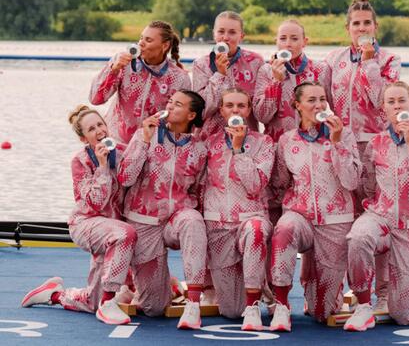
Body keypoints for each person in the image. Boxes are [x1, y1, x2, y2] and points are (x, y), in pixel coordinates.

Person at [344, 81, 409, 331]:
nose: (397, 105)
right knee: (358, 237)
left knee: (402, 315)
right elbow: (368, 186)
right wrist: (374, 211)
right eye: (391, 102)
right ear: (383, 109)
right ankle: (364, 306)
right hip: (381, 218)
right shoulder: (376, 143)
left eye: (402, 100)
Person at [21, 105, 137, 325]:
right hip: (87, 223)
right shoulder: (80, 161)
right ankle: (108, 304)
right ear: (84, 139)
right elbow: (95, 203)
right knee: (124, 233)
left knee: (91, 301)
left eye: (101, 124)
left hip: (114, 228)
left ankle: (53, 294)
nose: (99, 130)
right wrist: (102, 167)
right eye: (91, 129)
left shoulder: (123, 151)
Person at [325, 0, 401, 313]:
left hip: (377, 147)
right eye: (356, 24)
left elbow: (379, 101)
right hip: (343, 144)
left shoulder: (389, 60)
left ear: (375, 26)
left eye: (367, 23)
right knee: (346, 220)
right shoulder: (335, 58)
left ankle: (383, 292)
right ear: (348, 28)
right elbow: (327, 98)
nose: (362, 28)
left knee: (377, 219)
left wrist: (370, 64)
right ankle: (355, 290)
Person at [269, 82, 362, 331]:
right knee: (284, 229)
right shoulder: (286, 141)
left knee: (324, 314)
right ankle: (281, 305)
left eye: (322, 99)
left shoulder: (344, 134)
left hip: (335, 221)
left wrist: (338, 143)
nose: (319, 104)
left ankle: (316, 291)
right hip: (299, 215)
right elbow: (279, 184)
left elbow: (351, 181)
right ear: (297, 106)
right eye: (311, 100)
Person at [117, 90, 208, 329]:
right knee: (153, 308)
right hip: (143, 220)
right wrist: (145, 141)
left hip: (177, 218)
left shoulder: (200, 148)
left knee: (193, 220)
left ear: (191, 115)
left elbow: (199, 189)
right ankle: (169, 285)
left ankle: (193, 304)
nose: (170, 106)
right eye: (170, 101)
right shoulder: (145, 135)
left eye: (177, 104)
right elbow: (125, 178)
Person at [203, 88, 274, 330]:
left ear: (249, 110)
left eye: (241, 106)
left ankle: (254, 306)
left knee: (255, 232)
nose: (236, 110)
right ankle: (258, 285)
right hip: (218, 225)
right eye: (230, 106)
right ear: (221, 111)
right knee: (232, 311)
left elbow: (255, 185)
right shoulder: (208, 143)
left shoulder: (264, 143)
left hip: (250, 218)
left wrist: (238, 148)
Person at [90, 20, 191, 144]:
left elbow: (182, 122)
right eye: (141, 38)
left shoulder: (180, 78)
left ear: (165, 46)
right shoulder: (123, 62)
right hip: (116, 143)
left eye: (148, 40)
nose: (140, 43)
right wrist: (113, 70)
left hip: (151, 146)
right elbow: (95, 99)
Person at [253, 19, 331, 143]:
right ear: (276, 41)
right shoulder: (266, 70)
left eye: (294, 39)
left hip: (313, 143)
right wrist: (276, 82)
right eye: (283, 39)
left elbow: (330, 109)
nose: (288, 44)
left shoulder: (321, 69)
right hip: (278, 144)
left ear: (304, 42)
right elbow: (262, 117)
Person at [193, 11, 264, 138]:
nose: (225, 37)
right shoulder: (201, 64)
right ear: (214, 34)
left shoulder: (256, 62)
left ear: (241, 36)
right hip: (208, 138)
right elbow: (202, 111)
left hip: (246, 137)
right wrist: (220, 75)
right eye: (221, 32)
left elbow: (260, 110)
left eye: (232, 32)